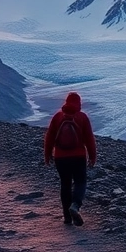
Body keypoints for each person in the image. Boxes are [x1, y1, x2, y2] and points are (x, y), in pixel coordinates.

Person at [43, 92, 97, 226]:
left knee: (65, 184)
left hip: (60, 157)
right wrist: (92, 156)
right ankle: (75, 205)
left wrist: (47, 155)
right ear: (79, 103)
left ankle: (67, 217)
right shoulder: (82, 117)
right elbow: (89, 139)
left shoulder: (58, 116)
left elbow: (49, 137)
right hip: (78, 156)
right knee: (80, 182)